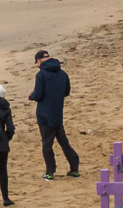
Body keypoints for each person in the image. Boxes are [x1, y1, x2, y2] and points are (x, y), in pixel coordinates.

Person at [29, 50, 79, 181]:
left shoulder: (41, 75)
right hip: (57, 113)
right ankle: (74, 169)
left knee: (47, 144)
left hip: (44, 115)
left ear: (39, 61)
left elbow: (38, 95)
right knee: (63, 142)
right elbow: (66, 91)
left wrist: (31, 95)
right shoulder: (63, 74)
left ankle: (50, 172)